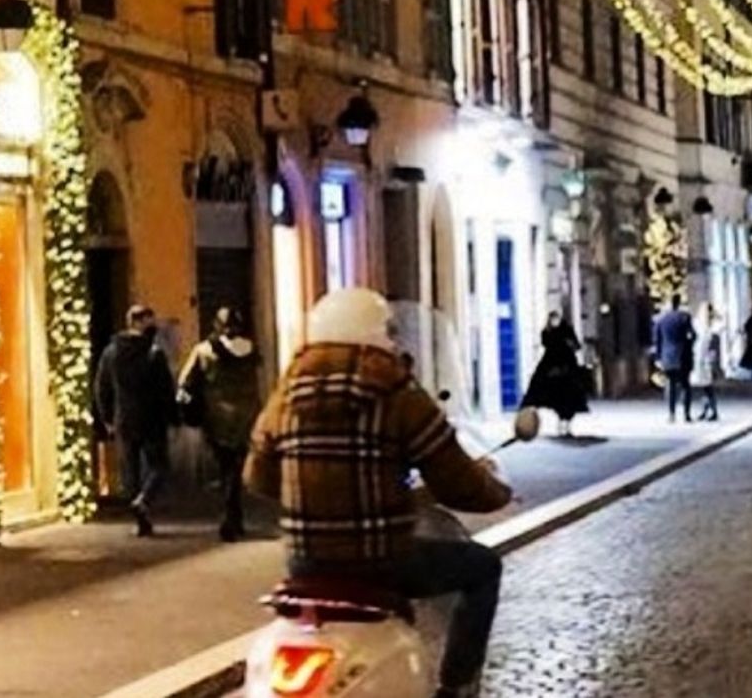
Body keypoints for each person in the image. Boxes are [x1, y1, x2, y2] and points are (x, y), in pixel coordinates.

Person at [245, 288, 511, 698]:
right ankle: (455, 686)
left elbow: (258, 479)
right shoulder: (397, 394)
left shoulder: (285, 396)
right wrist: (495, 491)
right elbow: (458, 483)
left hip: (304, 566)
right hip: (382, 562)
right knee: (483, 567)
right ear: (380, 336)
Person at [178, 307, 262, 542]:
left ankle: (230, 516)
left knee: (226, 468)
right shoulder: (251, 349)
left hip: (217, 417)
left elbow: (185, 381)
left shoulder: (204, 351)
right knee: (236, 467)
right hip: (247, 415)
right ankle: (235, 515)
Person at [96, 305, 174, 537]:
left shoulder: (111, 352)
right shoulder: (154, 352)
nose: (154, 326)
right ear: (140, 322)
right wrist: (172, 416)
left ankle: (140, 517)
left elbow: (101, 387)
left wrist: (108, 418)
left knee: (131, 471)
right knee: (159, 466)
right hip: (152, 419)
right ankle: (144, 500)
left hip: (124, 419)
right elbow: (165, 389)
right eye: (150, 321)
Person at [522, 311, 589, 437]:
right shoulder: (547, 332)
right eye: (553, 319)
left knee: (569, 397)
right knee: (552, 394)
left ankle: (566, 423)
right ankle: (562, 423)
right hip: (552, 366)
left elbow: (576, 345)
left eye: (556, 319)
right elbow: (546, 343)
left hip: (566, 367)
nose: (555, 322)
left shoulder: (567, 330)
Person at [652, 294, 696, 423]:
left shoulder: (661, 319)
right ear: (679, 303)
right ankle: (687, 414)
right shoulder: (685, 317)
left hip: (668, 357)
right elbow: (692, 335)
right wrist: (688, 346)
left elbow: (657, 340)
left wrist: (658, 357)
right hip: (683, 356)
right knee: (685, 385)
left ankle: (671, 414)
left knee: (670, 385)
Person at [691, 304, 723, 421]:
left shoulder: (708, 327)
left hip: (704, 359)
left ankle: (711, 410)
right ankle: (707, 410)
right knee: (705, 388)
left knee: (707, 387)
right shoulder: (703, 325)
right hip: (701, 358)